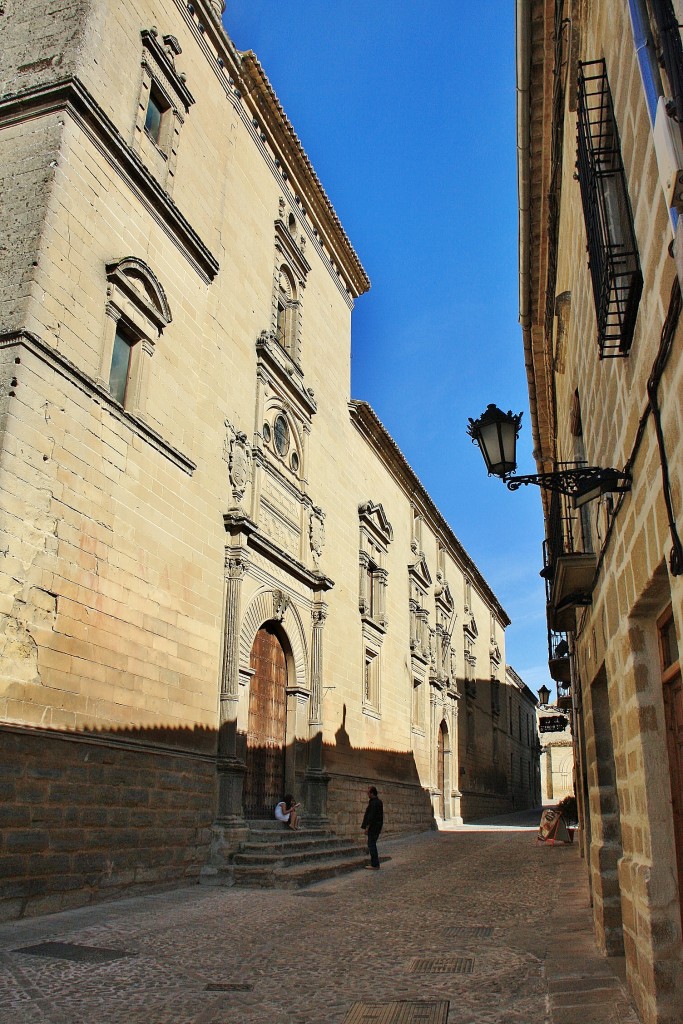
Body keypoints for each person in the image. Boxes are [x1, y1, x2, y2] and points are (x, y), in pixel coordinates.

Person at [361, 785, 383, 869]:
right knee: (372, 844)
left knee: (372, 845)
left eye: (368, 793)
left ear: (372, 793)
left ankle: (375, 864)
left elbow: (371, 816)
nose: (367, 794)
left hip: (373, 828)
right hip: (377, 827)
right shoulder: (378, 802)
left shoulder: (374, 803)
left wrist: (367, 827)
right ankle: (375, 863)